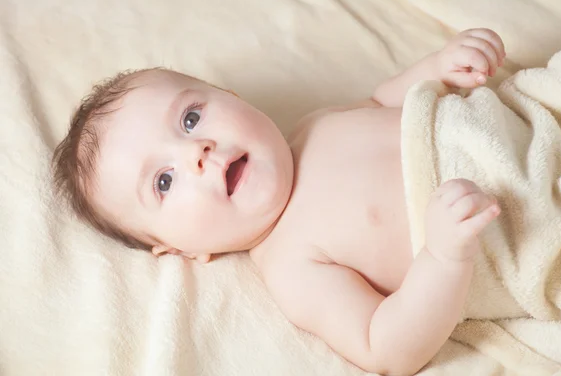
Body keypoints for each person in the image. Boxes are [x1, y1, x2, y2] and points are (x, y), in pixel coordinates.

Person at [53, 28, 506, 375]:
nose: (197, 151)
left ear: (232, 98)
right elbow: (383, 345)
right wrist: (444, 256)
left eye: (191, 118)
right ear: (183, 250)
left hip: (512, 126)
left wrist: (438, 67)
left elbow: (382, 100)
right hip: (507, 231)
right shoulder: (293, 265)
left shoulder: (314, 125)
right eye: (164, 182)